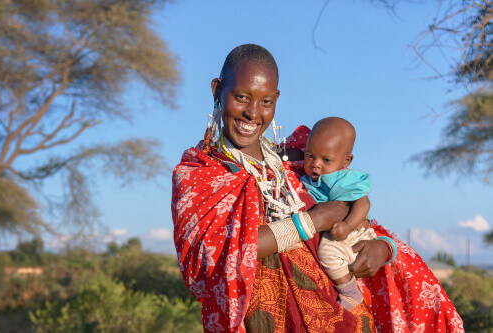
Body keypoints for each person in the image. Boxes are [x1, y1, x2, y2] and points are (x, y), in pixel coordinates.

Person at [172, 44, 463, 332]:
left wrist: (382, 248)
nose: (252, 112)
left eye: (265, 102)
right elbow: (214, 256)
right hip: (271, 321)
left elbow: (354, 213)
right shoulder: (201, 175)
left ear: (277, 99)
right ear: (216, 90)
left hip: (345, 314)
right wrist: (311, 221)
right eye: (241, 97)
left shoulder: (301, 159)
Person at [300, 117, 377, 311]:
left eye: (326, 160)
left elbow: (363, 202)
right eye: (310, 156)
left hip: (351, 231)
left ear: (346, 161)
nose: (315, 164)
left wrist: (347, 226)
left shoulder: (342, 179)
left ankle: (350, 293)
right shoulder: (312, 176)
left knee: (328, 253)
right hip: (339, 229)